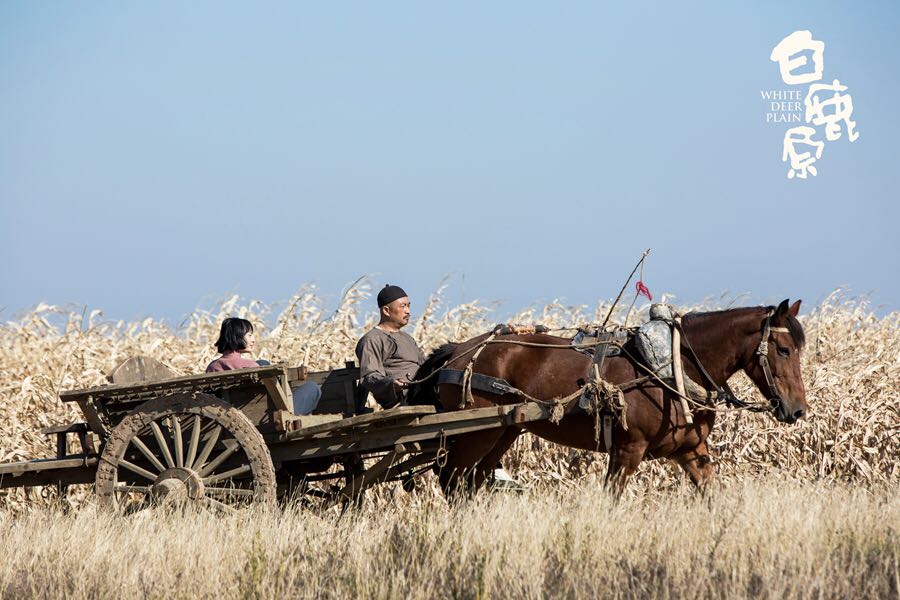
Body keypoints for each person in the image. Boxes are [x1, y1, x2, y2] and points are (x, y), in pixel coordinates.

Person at [355, 285, 521, 489]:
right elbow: (369, 376)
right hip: (405, 402)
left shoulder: (407, 338)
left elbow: (424, 367)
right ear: (386, 310)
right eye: (403, 306)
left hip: (425, 392)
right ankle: (488, 470)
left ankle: (492, 469)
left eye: (409, 306)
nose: (408, 311)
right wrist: (392, 384)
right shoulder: (371, 340)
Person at [206, 317, 320, 415]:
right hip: (267, 415)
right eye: (249, 335)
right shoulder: (251, 367)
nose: (253, 340)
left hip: (228, 414)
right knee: (312, 388)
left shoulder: (212, 367)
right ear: (237, 337)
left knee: (263, 363)